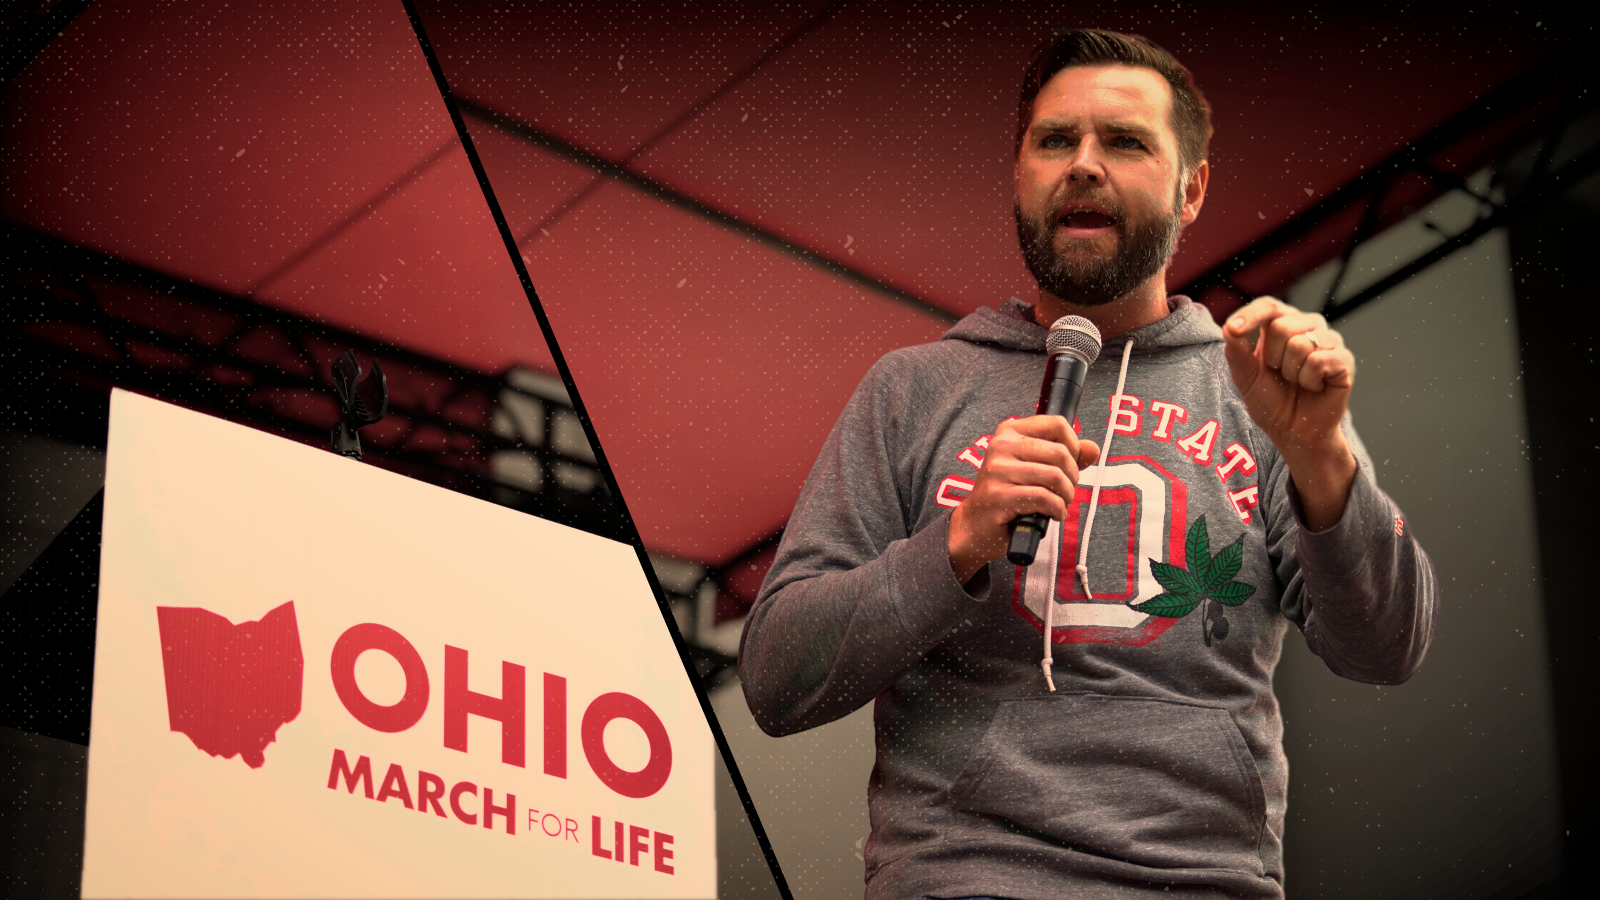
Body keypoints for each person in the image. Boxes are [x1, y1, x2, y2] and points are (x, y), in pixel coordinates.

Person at [737, 29, 1438, 900]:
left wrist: (1323, 458)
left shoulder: (1256, 387)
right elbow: (775, 680)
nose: (1083, 164)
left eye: (1127, 142)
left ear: (1193, 191)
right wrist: (953, 545)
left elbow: (1386, 647)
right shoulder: (912, 390)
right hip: (961, 878)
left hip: (1203, 882)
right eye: (1055, 140)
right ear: (1020, 173)